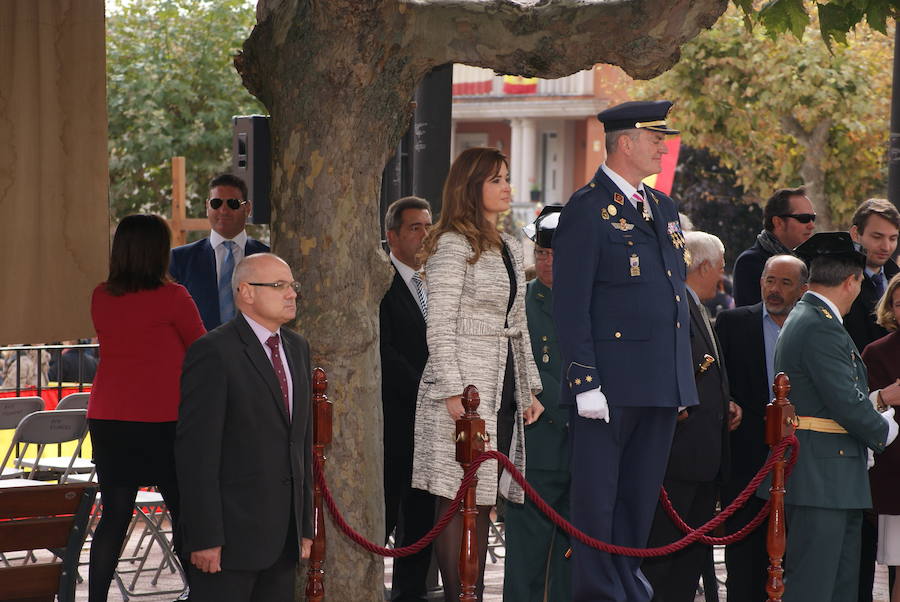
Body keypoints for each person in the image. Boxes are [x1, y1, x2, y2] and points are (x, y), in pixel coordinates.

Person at [552, 100, 698, 602]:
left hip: (658, 381)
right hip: (609, 385)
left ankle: (627, 587)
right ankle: (598, 592)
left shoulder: (662, 207)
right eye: (654, 137)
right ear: (625, 142)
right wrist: (584, 381)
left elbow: (674, 295)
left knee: (637, 501)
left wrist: (680, 378)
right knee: (598, 501)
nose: (663, 145)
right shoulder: (587, 208)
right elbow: (571, 306)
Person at [410, 146, 543, 601]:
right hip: (462, 388)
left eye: (507, 177)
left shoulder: (508, 243)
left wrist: (528, 389)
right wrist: (451, 390)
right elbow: (439, 321)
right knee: (456, 500)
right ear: (471, 187)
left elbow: (519, 323)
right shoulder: (451, 244)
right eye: (497, 180)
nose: (508, 187)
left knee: (483, 501)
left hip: (499, 384)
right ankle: (459, 597)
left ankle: (470, 594)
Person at [759, 232, 899, 602]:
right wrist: (886, 431)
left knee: (836, 585)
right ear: (852, 281)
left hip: (829, 473)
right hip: (823, 475)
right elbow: (846, 403)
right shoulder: (820, 325)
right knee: (815, 585)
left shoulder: (812, 318)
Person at [175, 253, 312, 602]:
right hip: (228, 542)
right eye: (279, 286)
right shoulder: (213, 352)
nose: (291, 294)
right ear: (246, 292)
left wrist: (304, 528)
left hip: (283, 540)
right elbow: (196, 455)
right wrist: (205, 537)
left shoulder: (297, 349)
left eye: (292, 285)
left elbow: (301, 443)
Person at [87, 214, 206, 602]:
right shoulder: (174, 297)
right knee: (183, 512)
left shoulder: (101, 296)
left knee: (115, 516)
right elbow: (201, 350)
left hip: (109, 418)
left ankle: (97, 598)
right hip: (164, 419)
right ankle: (200, 592)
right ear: (159, 252)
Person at [644, 231, 740, 602]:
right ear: (702, 266)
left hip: (702, 460)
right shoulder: (674, 307)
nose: (723, 273)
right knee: (662, 560)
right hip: (677, 460)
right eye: (720, 265)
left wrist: (725, 401)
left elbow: (703, 371)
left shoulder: (695, 304)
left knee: (688, 562)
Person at [715, 254, 808, 602]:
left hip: (799, 455)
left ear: (802, 289)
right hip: (746, 458)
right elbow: (716, 381)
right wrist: (727, 403)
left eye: (785, 283)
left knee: (795, 552)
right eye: (770, 280)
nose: (775, 289)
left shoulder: (813, 327)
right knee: (744, 558)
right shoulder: (732, 322)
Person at [503, 205, 571, 602]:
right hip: (537, 445)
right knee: (526, 558)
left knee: (571, 555)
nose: (546, 262)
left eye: (555, 254)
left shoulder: (592, 305)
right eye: (541, 254)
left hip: (582, 447)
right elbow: (516, 367)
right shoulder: (521, 303)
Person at [380, 196, 436, 601]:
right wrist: (428, 389)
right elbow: (385, 353)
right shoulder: (381, 282)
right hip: (394, 421)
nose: (424, 235)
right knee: (383, 516)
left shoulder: (436, 279)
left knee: (420, 521)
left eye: (428, 226)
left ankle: (409, 594)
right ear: (393, 235)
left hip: (434, 426)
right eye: (415, 227)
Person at [845, 198, 900, 602]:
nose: (886, 246)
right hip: (876, 449)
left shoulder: (894, 275)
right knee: (866, 560)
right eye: (877, 236)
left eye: (893, 238)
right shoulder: (843, 282)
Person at [169, 173, 269, 331]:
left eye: (233, 204)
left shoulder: (269, 257)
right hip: (201, 352)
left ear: (247, 208)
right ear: (207, 206)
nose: (224, 210)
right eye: (216, 203)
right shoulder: (179, 259)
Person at [862, 273, 900, 602]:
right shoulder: (876, 353)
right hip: (895, 474)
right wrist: (886, 397)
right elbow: (863, 407)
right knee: (899, 567)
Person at [732, 187, 815, 306]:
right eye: (804, 218)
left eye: (813, 218)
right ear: (778, 222)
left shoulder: (811, 260)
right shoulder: (750, 262)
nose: (811, 225)